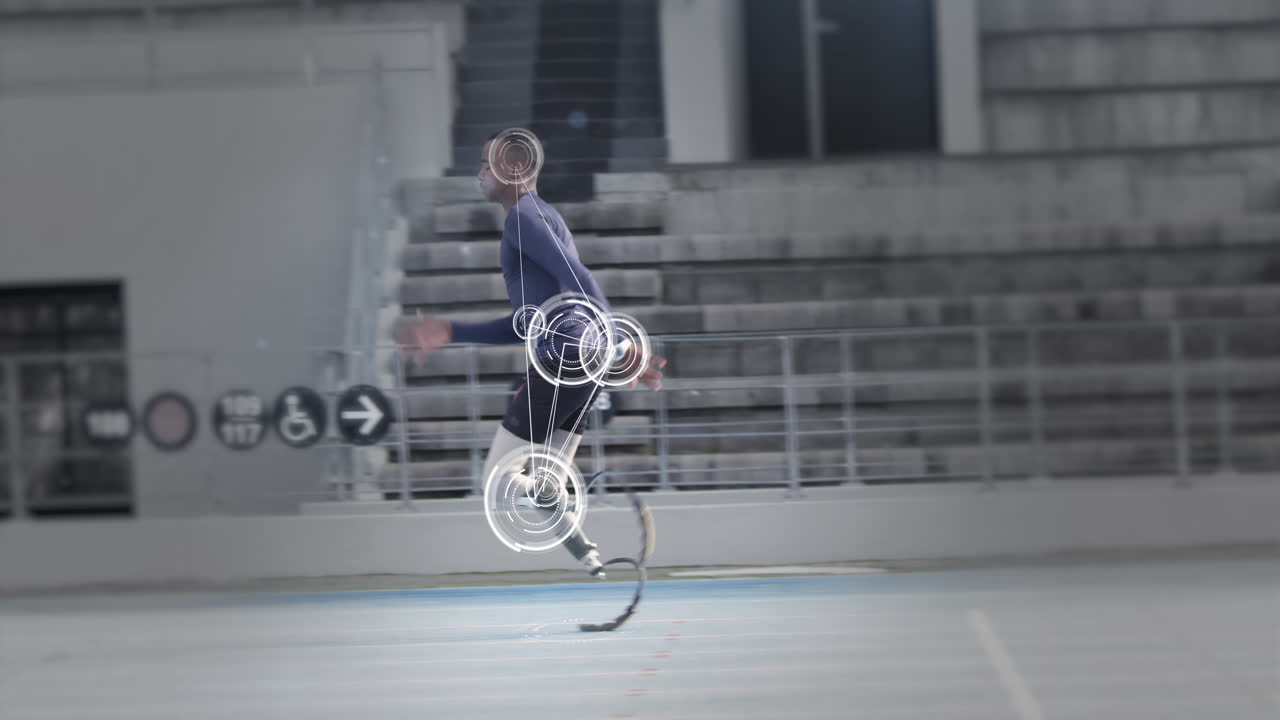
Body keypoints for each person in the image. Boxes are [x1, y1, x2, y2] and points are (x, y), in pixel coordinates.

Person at [397, 130, 666, 577]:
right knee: (544, 489)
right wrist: (450, 330)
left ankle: (589, 557)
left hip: (563, 359)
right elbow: (529, 323)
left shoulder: (522, 217)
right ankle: (592, 562)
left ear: (515, 169)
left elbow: (576, 274)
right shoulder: (538, 216)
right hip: (584, 363)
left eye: (486, 164)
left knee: (499, 481)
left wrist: (617, 337)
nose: (479, 173)